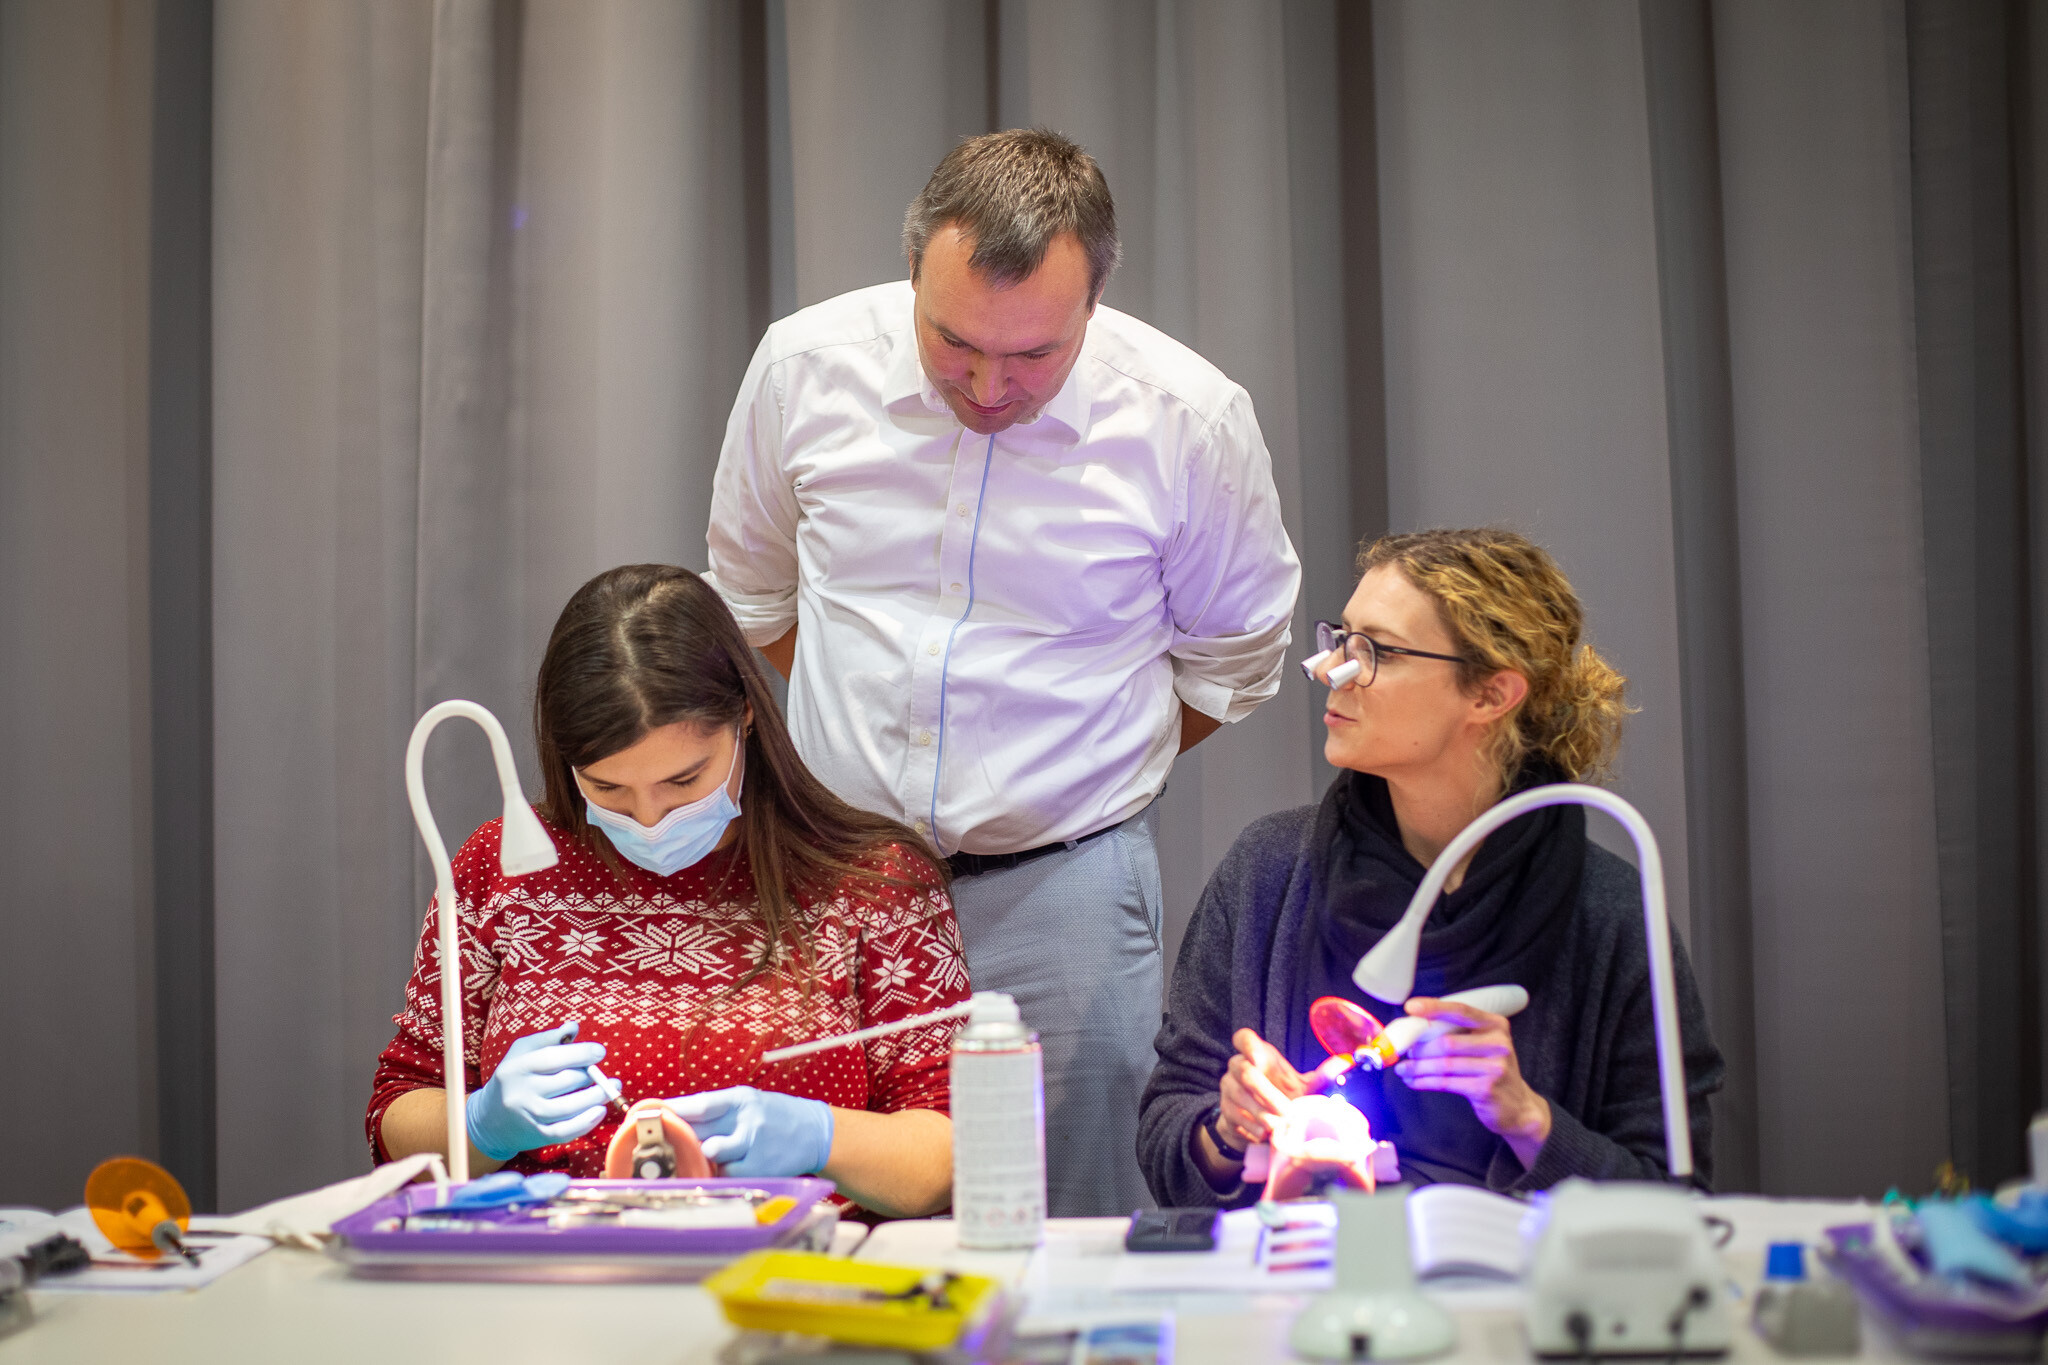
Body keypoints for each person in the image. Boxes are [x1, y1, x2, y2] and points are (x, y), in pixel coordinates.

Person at [706, 128, 1300, 1215]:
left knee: (1080, 1224)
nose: (987, 385)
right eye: (953, 342)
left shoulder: (1185, 419)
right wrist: (863, 749)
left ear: (1095, 303)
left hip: (1063, 889)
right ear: (912, 273)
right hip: (835, 877)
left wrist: (1070, 767)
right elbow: (754, 598)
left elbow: (1231, 661)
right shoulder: (802, 369)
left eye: (1033, 354)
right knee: (821, 1216)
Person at [1138, 529, 1724, 1204]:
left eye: (1376, 651)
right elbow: (1167, 1137)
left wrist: (1528, 1120)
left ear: (1491, 694)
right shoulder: (1267, 873)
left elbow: (1674, 1202)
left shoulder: (1611, 917)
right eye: (1341, 639)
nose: (1329, 671)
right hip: (1301, 1261)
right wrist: (1228, 1129)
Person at [368, 565, 968, 1217]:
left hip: (786, 1264)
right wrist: (482, 1125)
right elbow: (398, 1111)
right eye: (608, 788)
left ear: (745, 714)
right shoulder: (502, 868)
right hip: (545, 1261)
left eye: (683, 782)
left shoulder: (872, 885)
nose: (650, 819)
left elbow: (950, 1153)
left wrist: (823, 1138)